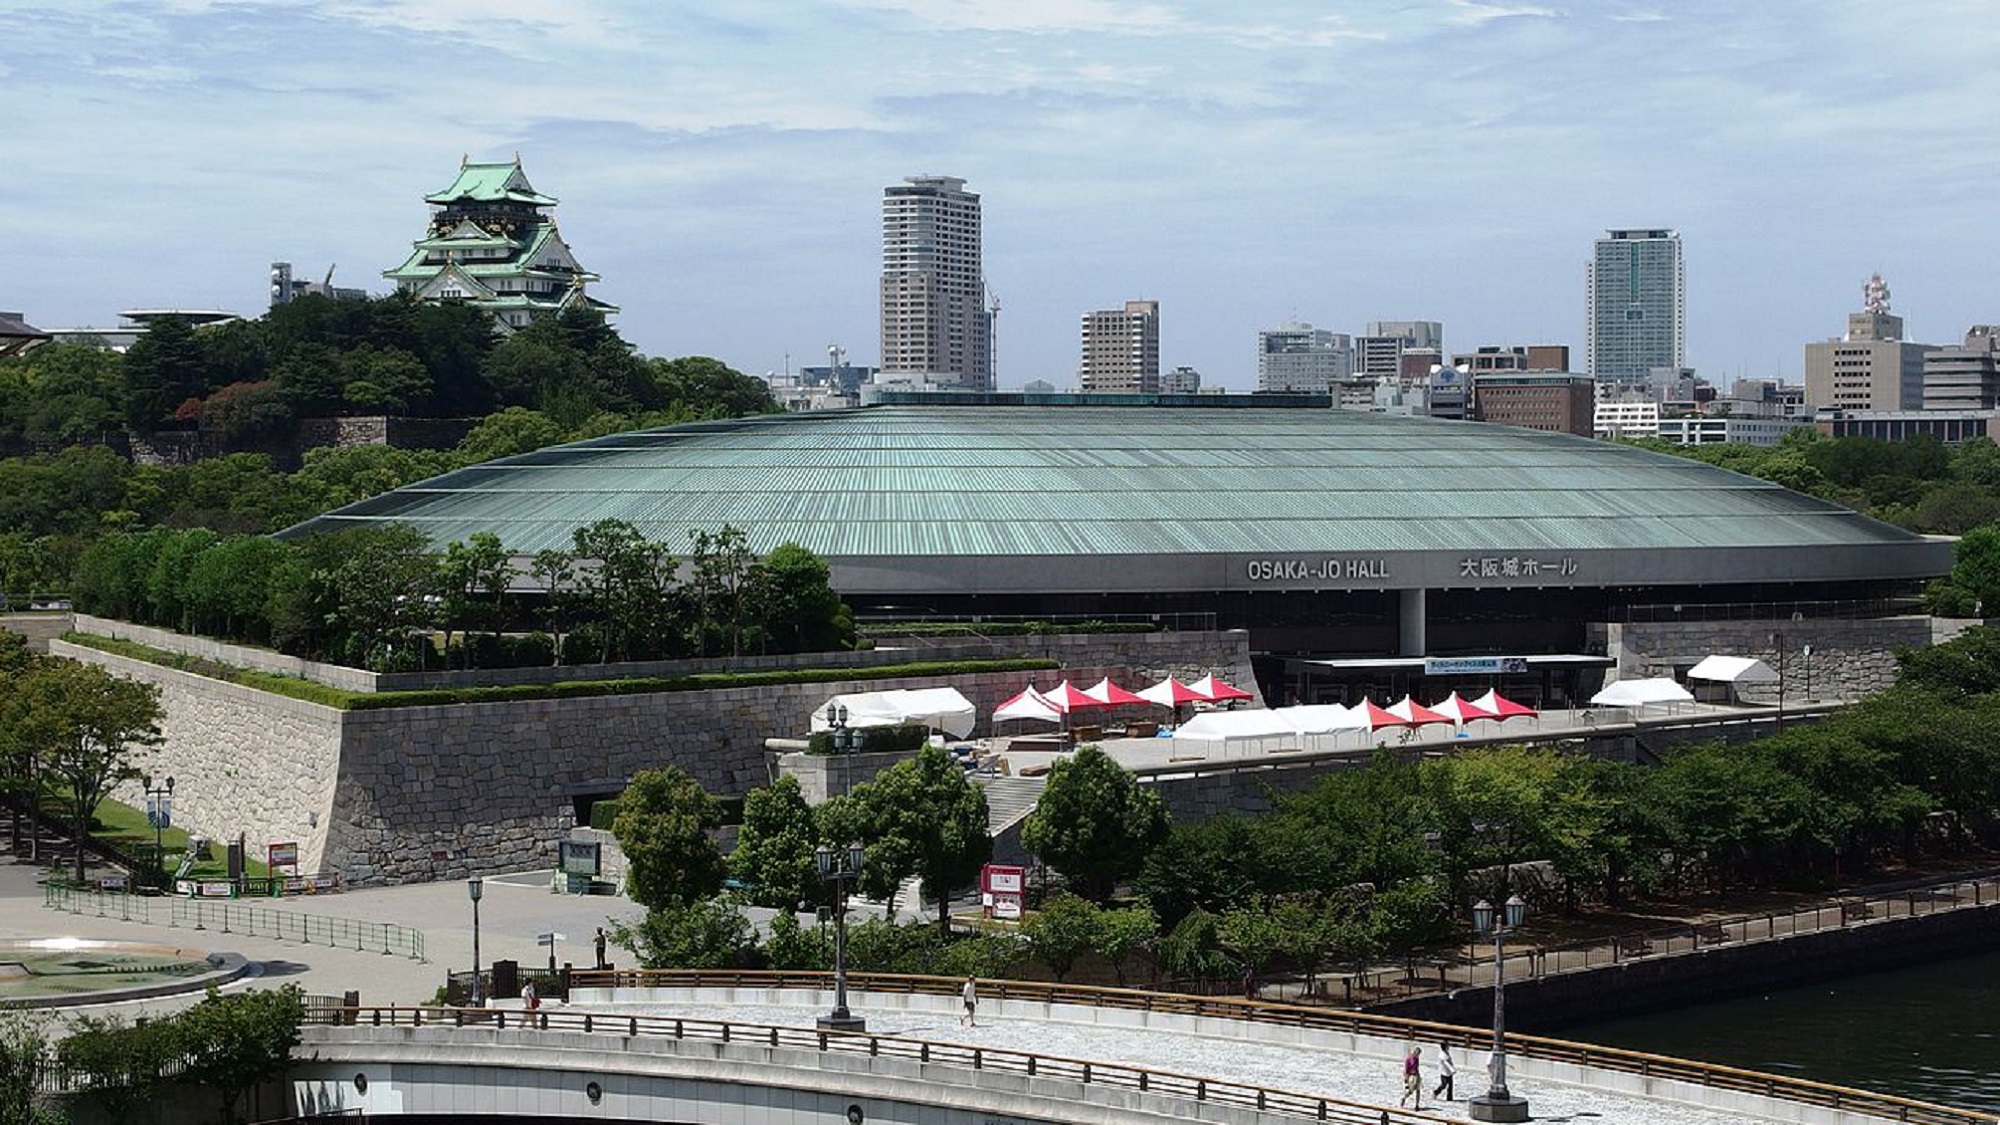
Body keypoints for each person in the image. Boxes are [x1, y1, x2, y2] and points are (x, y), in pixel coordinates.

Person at [1400, 1045, 1422, 1109]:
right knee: (1411, 1091)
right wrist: (1406, 1079)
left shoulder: (1417, 1058)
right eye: (1417, 1053)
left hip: (1416, 1075)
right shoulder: (1409, 1059)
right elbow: (1406, 1070)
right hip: (1411, 1075)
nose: (1418, 1055)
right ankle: (1403, 1098)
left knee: (1418, 1090)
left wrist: (1418, 1076)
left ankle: (1417, 1105)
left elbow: (1417, 1067)